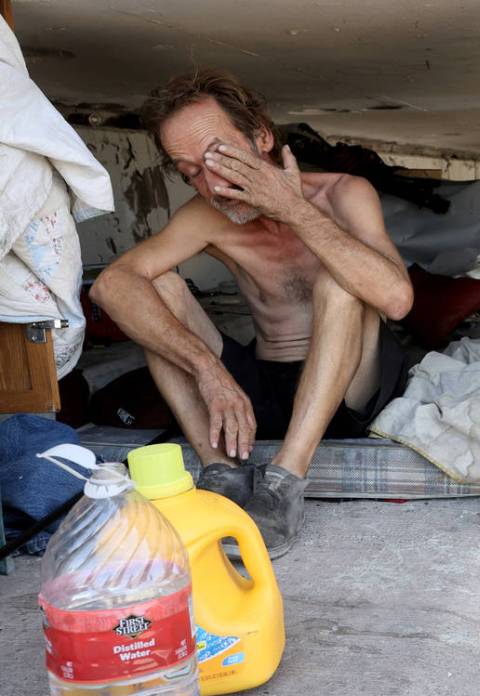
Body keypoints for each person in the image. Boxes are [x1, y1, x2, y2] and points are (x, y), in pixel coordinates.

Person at [91, 69, 413, 558]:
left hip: (350, 391)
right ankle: (222, 472)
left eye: (219, 156)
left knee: (340, 281)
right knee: (154, 288)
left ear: (260, 137)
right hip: (259, 394)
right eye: (190, 171)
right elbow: (112, 285)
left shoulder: (344, 193)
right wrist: (208, 370)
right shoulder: (205, 215)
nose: (212, 182)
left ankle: (284, 483)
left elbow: (396, 300)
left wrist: (292, 209)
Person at [0, 17, 114, 380]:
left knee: (59, 302)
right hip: (23, 173)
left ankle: (50, 362)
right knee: (54, 305)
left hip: (26, 173)